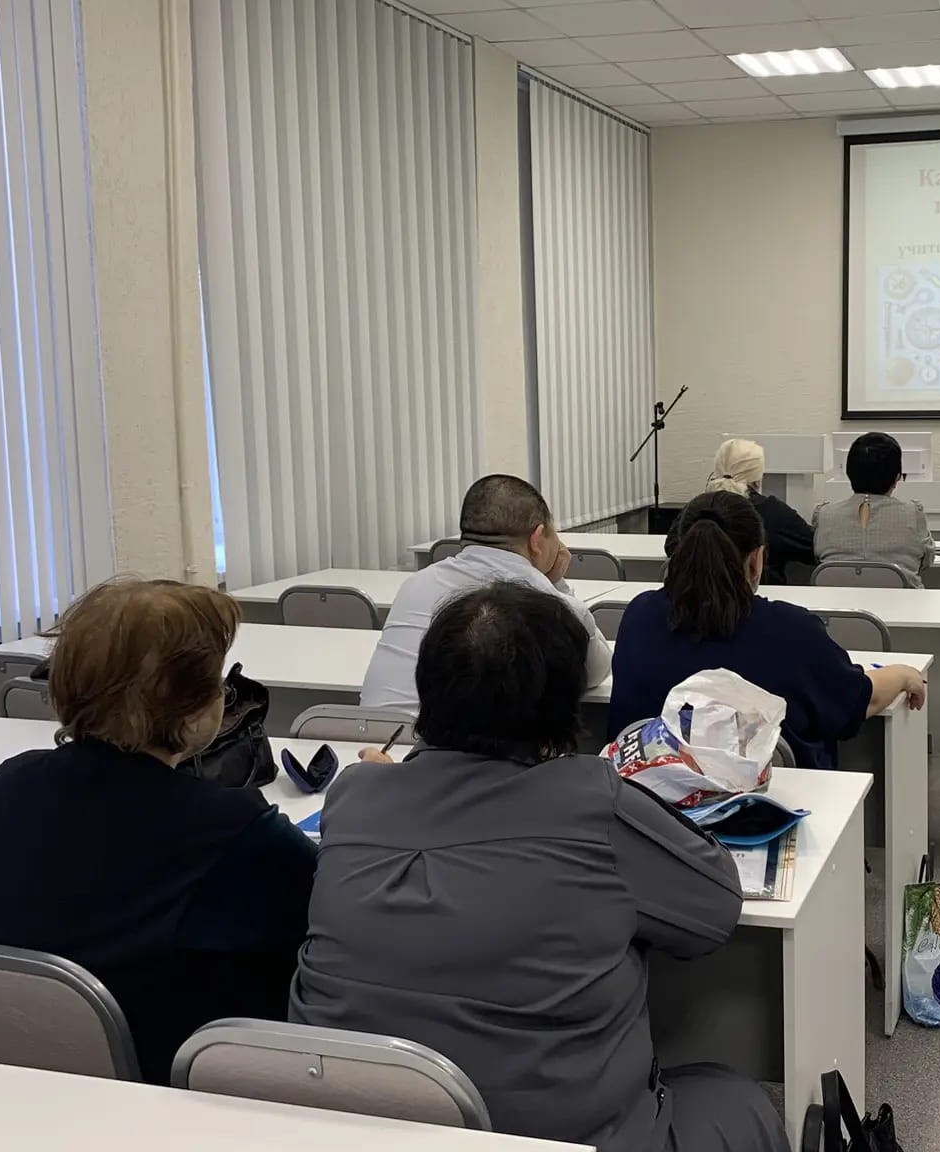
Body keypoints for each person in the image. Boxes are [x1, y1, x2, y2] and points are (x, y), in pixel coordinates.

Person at [293, 582, 787, 1152]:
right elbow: (716, 907)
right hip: (563, 1135)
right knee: (738, 1101)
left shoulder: (354, 794)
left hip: (355, 1129)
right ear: (563, 707)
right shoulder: (591, 802)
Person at [0, 578, 316, 1083]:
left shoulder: (11, 781)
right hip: (165, 1082)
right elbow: (325, 912)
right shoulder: (232, 828)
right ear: (195, 707)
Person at [613, 491, 927, 771]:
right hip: (767, 807)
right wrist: (902, 674)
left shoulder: (639, 616)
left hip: (645, 806)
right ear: (756, 559)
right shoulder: (791, 631)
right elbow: (857, 701)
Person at [360, 473, 610, 712]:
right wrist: (557, 584)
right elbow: (594, 673)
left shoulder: (415, 584)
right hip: (457, 741)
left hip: (373, 733)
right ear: (536, 539)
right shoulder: (557, 607)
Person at [666, 438, 816, 585]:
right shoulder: (775, 513)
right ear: (758, 478)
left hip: (696, 595)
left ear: (717, 470)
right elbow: (813, 550)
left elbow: (672, 546)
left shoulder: (696, 508)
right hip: (758, 597)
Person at [811, 431, 935, 587]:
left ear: (848, 473)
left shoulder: (824, 514)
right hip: (902, 601)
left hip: (836, 601)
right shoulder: (913, 514)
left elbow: (817, 556)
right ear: (897, 477)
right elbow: (927, 560)